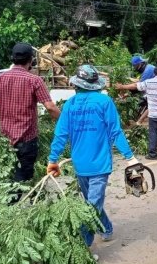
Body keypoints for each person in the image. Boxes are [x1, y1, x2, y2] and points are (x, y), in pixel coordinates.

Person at [47, 64, 139, 248]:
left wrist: (53, 160)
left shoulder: (70, 105)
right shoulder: (104, 102)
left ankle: (85, 245)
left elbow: (61, 135)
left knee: (92, 204)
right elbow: (115, 131)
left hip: (81, 164)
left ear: (76, 84)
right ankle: (102, 232)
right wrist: (130, 157)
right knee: (92, 205)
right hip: (99, 164)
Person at [0, 43, 60, 182]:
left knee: (8, 178)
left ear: (13, 58)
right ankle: (19, 196)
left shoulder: (0, 79)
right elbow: (50, 107)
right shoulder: (34, 80)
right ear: (31, 60)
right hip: (26, 140)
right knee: (23, 180)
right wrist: (65, 122)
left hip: (5, 141)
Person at [115, 65, 157, 160]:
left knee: (153, 133)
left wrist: (122, 86)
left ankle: (152, 154)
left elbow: (135, 86)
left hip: (153, 114)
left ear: (154, 73)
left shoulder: (148, 82)